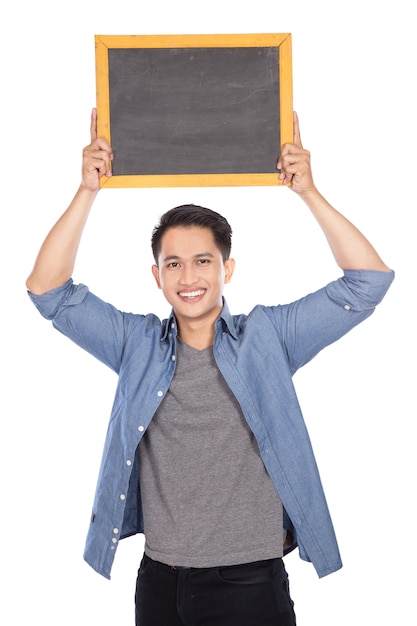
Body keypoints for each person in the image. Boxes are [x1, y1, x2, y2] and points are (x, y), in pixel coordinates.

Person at [26, 108, 394, 626]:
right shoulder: (138, 344)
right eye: (173, 263)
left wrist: (308, 191)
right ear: (157, 276)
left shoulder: (268, 337)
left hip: (249, 583)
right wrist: (87, 191)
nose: (189, 276)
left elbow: (368, 282)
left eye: (204, 261)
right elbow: (48, 293)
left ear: (228, 269)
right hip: (159, 581)